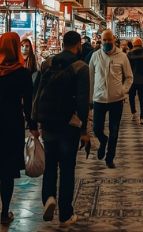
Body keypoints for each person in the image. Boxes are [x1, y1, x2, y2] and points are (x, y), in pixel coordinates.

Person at [31, 30, 90, 226]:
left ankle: (48, 197)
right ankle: (65, 214)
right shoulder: (81, 67)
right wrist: (84, 130)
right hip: (69, 124)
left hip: (48, 122)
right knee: (67, 168)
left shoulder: (47, 63)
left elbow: (37, 94)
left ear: (63, 43)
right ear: (78, 45)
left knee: (50, 164)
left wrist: (33, 123)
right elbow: (83, 101)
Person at [0, 32, 36, 225]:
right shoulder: (22, 73)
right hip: (12, 124)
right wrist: (32, 126)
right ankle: (4, 212)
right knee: (6, 170)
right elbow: (28, 104)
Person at [88, 29, 133, 168]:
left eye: (109, 39)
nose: (107, 42)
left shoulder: (122, 57)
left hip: (116, 100)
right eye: (104, 40)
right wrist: (90, 99)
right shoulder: (95, 56)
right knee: (97, 129)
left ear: (114, 39)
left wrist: (122, 91)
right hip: (99, 99)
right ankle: (103, 141)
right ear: (101, 41)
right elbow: (90, 78)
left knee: (114, 130)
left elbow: (129, 77)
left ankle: (110, 157)